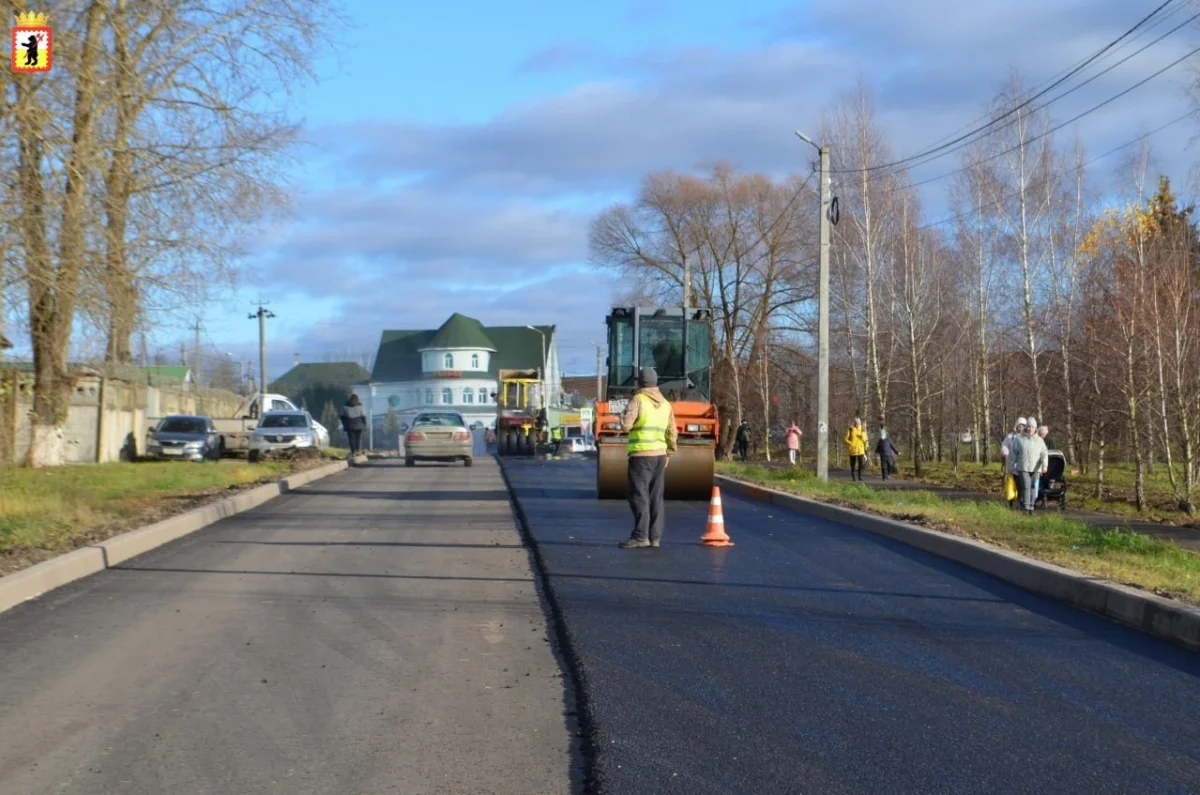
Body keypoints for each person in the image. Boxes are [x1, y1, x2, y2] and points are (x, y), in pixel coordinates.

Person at [618, 367, 678, 549]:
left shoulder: (638, 400)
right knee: (656, 497)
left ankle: (640, 536)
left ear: (640, 383)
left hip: (641, 455)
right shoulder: (666, 404)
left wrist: (622, 415)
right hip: (660, 456)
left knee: (639, 495)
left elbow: (626, 426)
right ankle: (655, 537)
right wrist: (669, 452)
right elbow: (672, 431)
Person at [1009, 421, 1048, 515]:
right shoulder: (1019, 439)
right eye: (1028, 427)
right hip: (1023, 467)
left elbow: (1044, 453)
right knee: (1026, 486)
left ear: (1035, 429)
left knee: (1033, 487)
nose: (1030, 429)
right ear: (1026, 428)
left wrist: (1044, 465)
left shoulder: (1039, 440)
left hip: (1036, 468)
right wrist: (1011, 466)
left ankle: (1031, 507)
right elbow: (1013, 453)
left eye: (1032, 427)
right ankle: (1026, 508)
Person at [1000, 418, 1027, 508]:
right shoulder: (1010, 437)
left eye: (1023, 426)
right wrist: (1005, 452)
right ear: (1016, 426)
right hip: (1012, 465)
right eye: (1019, 426)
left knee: (1021, 484)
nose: (1021, 428)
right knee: (1012, 485)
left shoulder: (1028, 437)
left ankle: (1020, 501)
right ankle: (1011, 501)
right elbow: (1004, 446)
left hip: (1023, 465)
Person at [844, 417, 867, 481]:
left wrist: (862, 437)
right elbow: (845, 439)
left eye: (859, 423)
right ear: (854, 423)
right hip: (852, 450)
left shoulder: (862, 430)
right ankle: (853, 477)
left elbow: (865, 440)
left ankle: (860, 476)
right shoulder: (850, 429)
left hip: (860, 450)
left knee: (861, 464)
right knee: (853, 464)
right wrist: (850, 443)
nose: (858, 424)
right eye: (856, 423)